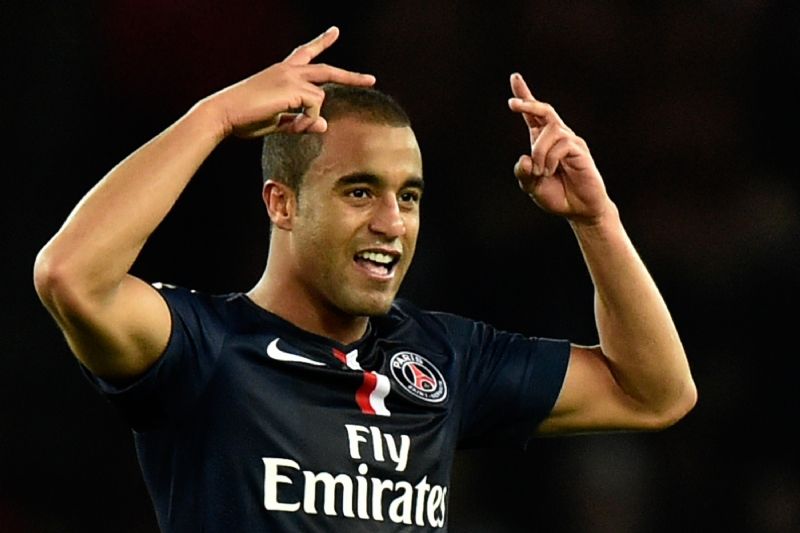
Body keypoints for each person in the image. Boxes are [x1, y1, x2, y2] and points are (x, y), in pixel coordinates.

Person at [33, 26, 697, 532]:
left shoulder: (445, 358)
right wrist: (214, 118)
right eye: (359, 191)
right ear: (282, 203)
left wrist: (596, 220)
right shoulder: (206, 351)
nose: (392, 222)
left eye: (409, 196)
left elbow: (654, 393)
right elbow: (70, 275)